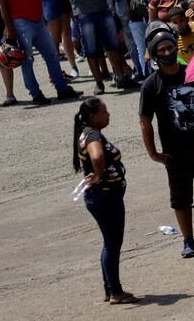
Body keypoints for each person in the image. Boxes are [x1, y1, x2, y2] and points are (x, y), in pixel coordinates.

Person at [139, 22, 194, 258]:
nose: (167, 52)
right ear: (154, 54)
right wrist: (153, 153)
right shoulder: (151, 85)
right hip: (174, 153)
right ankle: (188, 240)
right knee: (181, 199)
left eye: (170, 47)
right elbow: (145, 121)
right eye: (161, 50)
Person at [0, 0, 81, 105]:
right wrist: (9, 28)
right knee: (27, 59)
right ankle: (35, 93)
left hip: (38, 20)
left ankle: (62, 89)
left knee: (52, 54)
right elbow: (2, 3)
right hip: (20, 22)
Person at [72, 98, 138, 305]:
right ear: (92, 116)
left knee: (109, 243)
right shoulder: (92, 135)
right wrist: (99, 174)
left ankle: (110, 290)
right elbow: (97, 156)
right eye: (104, 111)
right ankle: (116, 292)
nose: (108, 114)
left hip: (103, 196)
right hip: (106, 196)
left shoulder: (89, 132)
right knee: (112, 244)